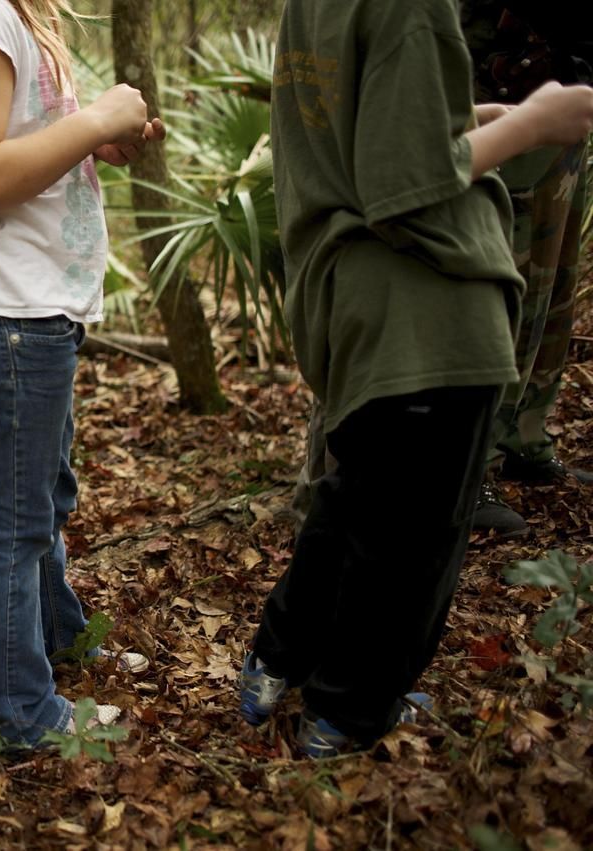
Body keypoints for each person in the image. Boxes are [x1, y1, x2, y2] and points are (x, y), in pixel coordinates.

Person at [238, 0, 593, 757]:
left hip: (353, 302)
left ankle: (275, 664)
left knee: (355, 499)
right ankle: (348, 715)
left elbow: (367, 123)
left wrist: (466, 113)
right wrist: (537, 125)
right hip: (428, 307)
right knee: (414, 538)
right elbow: (407, 181)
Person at [0, 0, 163, 748]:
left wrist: (98, 139)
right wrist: (96, 116)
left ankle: (56, 643)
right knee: (11, 524)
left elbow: (15, 148)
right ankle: (16, 713)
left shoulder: (13, 14)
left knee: (39, 502)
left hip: (28, 311)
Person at [461, 0, 593, 536]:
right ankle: (471, 469)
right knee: (505, 285)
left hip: (556, 83)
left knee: (555, 280)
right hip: (496, 95)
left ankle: (525, 435)